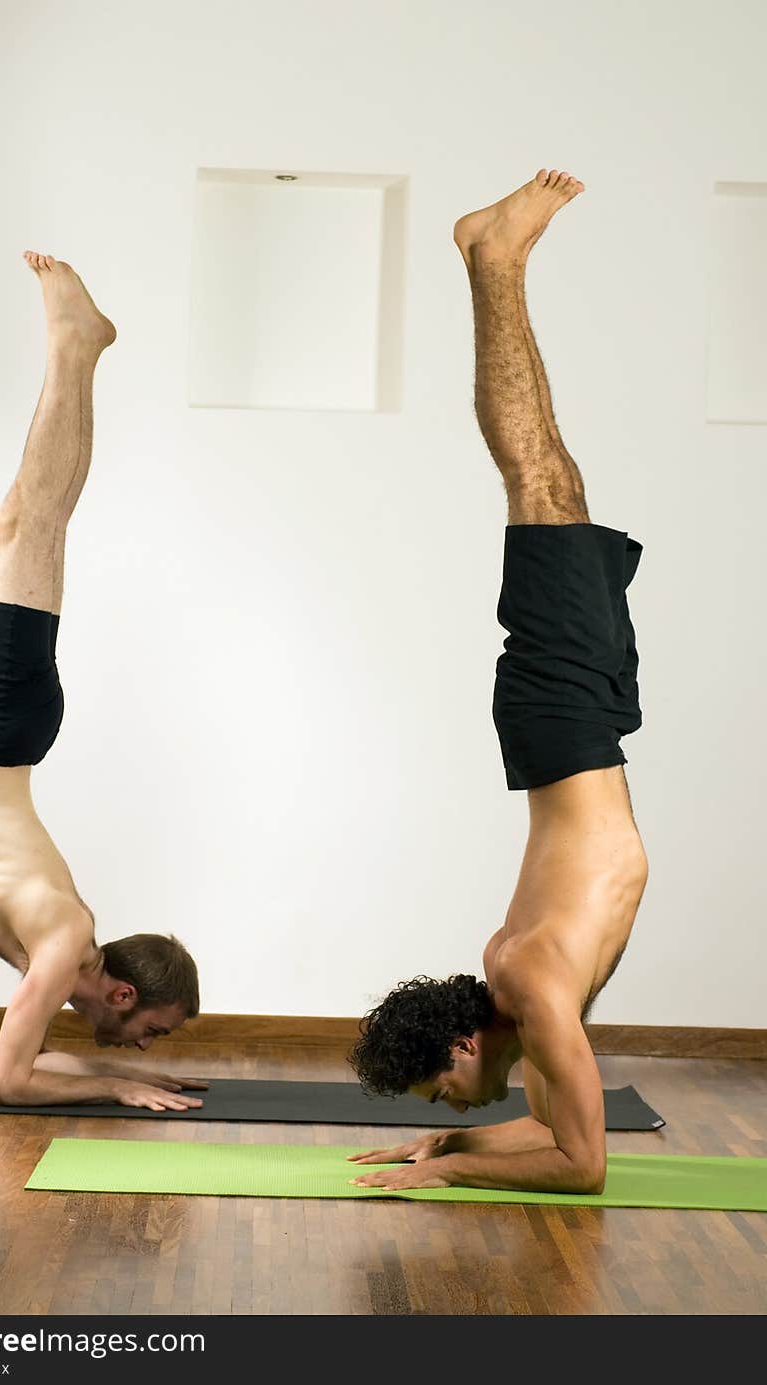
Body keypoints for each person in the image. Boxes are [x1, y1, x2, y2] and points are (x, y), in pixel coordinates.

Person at [349, 169, 649, 1195]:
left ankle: (494, 259)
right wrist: (455, 1144)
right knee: (552, 480)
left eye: (441, 1096)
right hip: (583, 727)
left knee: (540, 483)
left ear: (463, 1047)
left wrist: (449, 1168)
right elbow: (558, 1133)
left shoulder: (526, 981)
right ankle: (497, 260)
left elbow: (585, 1165)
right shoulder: (518, 990)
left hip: (566, 726)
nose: (455, 1106)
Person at [0, 253, 206, 1112]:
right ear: (123, 995)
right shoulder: (64, 948)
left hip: (5, 727)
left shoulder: (71, 951)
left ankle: (80, 349)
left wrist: (122, 1073)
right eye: (150, 1034)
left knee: (32, 514)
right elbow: (9, 1084)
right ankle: (73, 345)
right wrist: (121, 1094)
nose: (144, 1043)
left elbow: (29, 1067)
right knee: (34, 513)